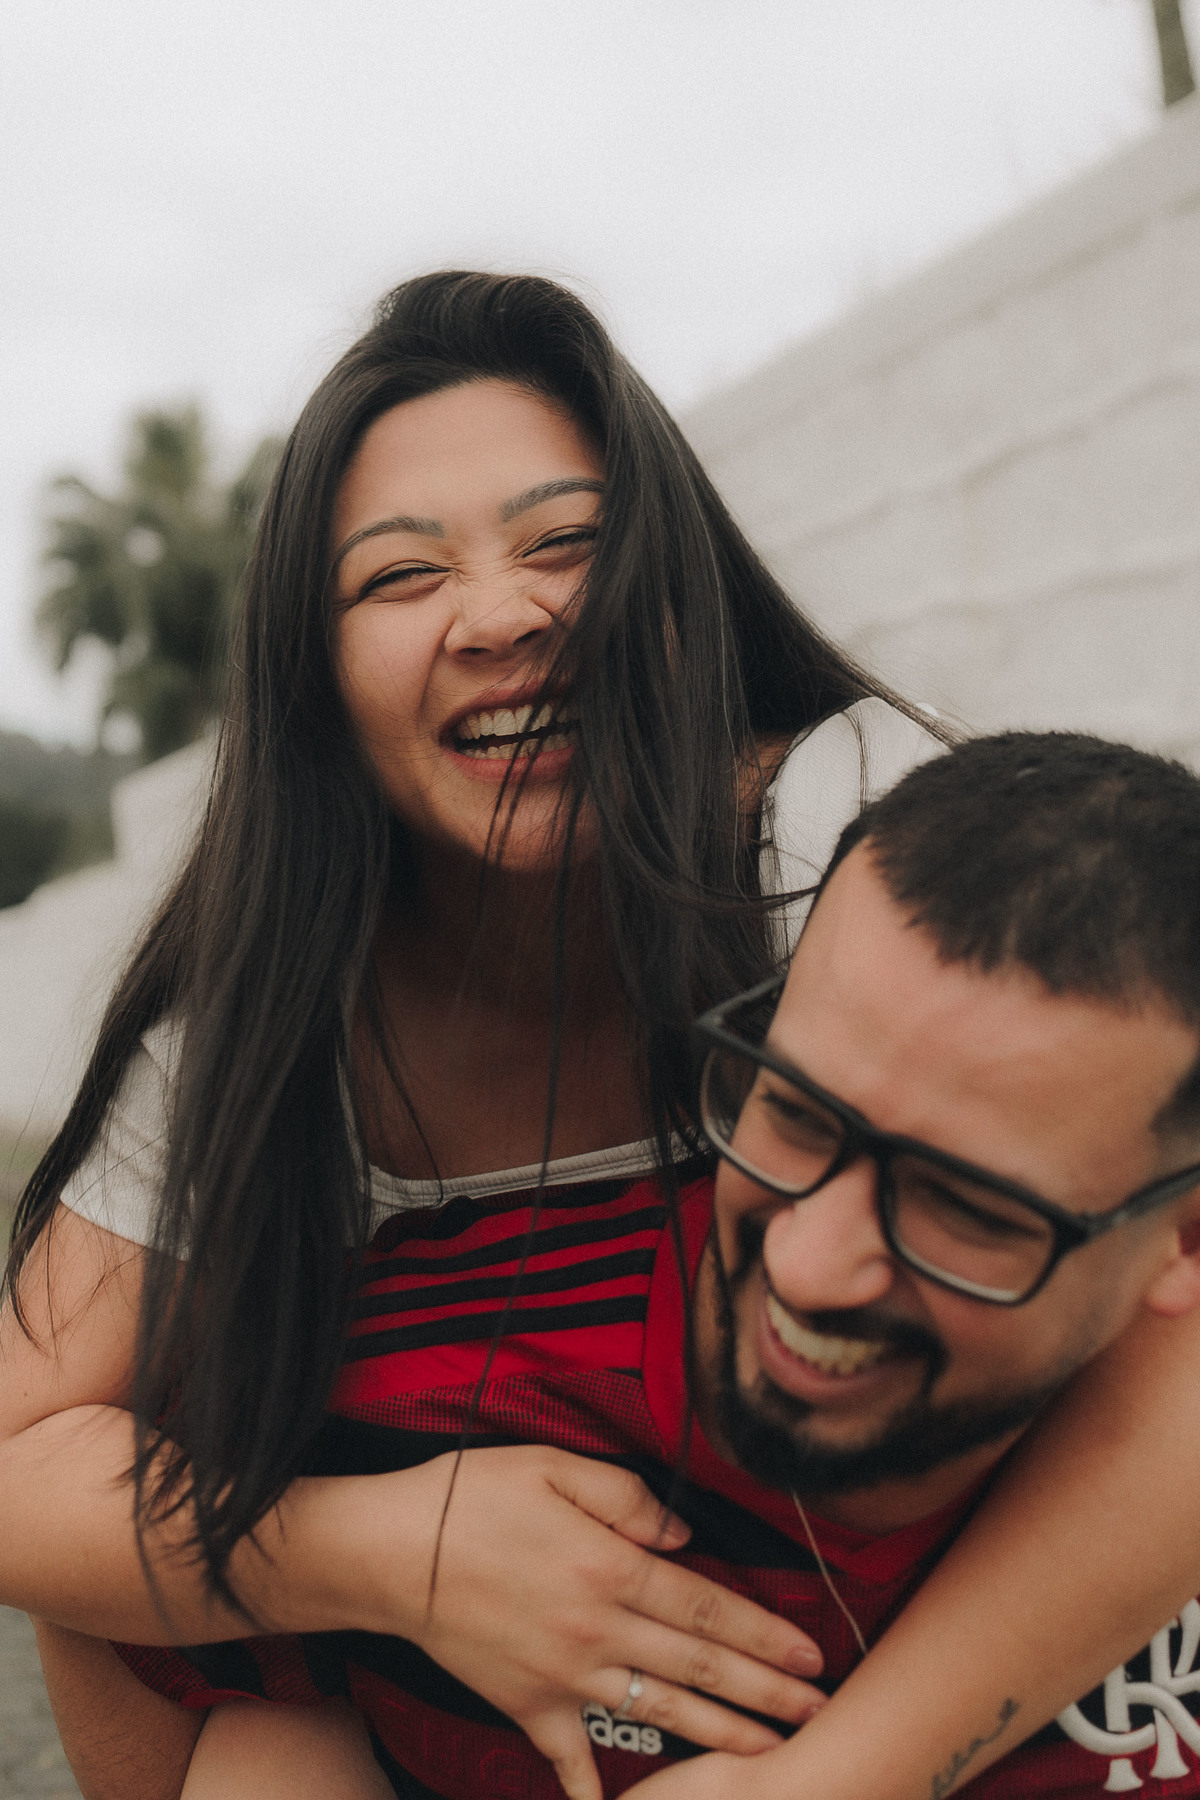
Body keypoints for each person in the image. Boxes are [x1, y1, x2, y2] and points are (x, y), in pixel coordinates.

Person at [2, 272, 1200, 1800]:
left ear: (676, 589)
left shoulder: (838, 837)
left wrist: (828, 1781)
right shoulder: (264, 1017)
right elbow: (24, 1458)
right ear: (316, 674)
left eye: (567, 544)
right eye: (400, 577)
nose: (503, 616)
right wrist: (398, 1551)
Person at [100, 731, 1200, 1800]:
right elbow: (102, 1596)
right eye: (793, 1109)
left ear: (1182, 1242)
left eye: (962, 1206)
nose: (811, 1270)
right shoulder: (411, 1403)